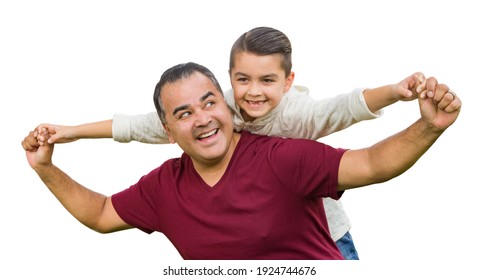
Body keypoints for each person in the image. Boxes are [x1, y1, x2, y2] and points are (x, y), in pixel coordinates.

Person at [32, 27, 430, 259]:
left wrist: (406, 103)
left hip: (330, 232)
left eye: (208, 104)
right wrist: (57, 151)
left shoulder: (290, 134)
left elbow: (363, 144)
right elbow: (106, 203)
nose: (202, 117)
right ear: (169, 131)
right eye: (184, 113)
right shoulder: (167, 180)